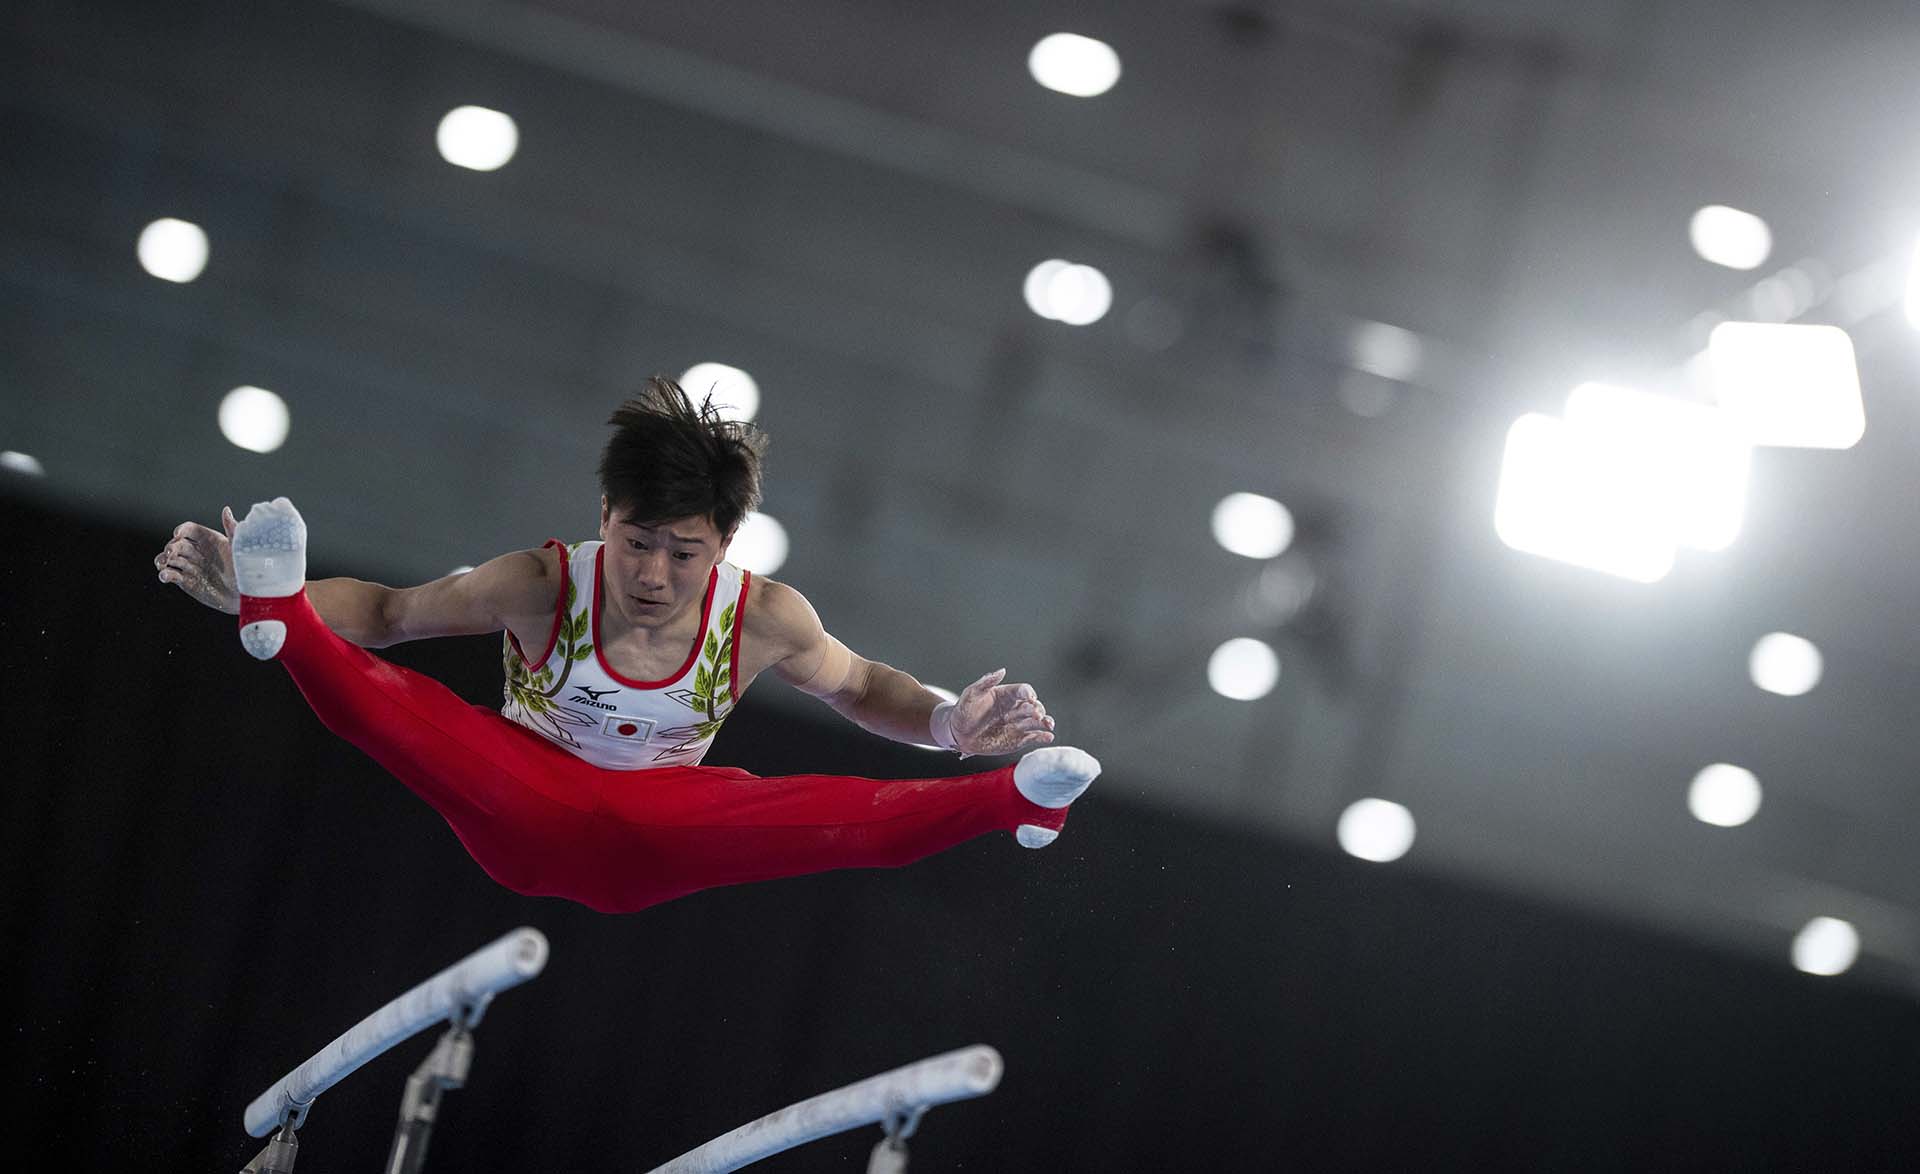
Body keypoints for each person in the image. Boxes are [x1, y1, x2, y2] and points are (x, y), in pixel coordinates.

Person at [154, 377, 1098, 914]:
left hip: (665, 829)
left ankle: (1014, 798)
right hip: (518, 798)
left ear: (724, 545)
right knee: (414, 718)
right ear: (604, 515)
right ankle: (279, 619)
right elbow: (394, 614)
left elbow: (856, 687)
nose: (651, 573)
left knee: (832, 816)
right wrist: (280, 594)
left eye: (682, 552)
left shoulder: (764, 615)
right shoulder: (538, 583)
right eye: (634, 541)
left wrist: (944, 719)